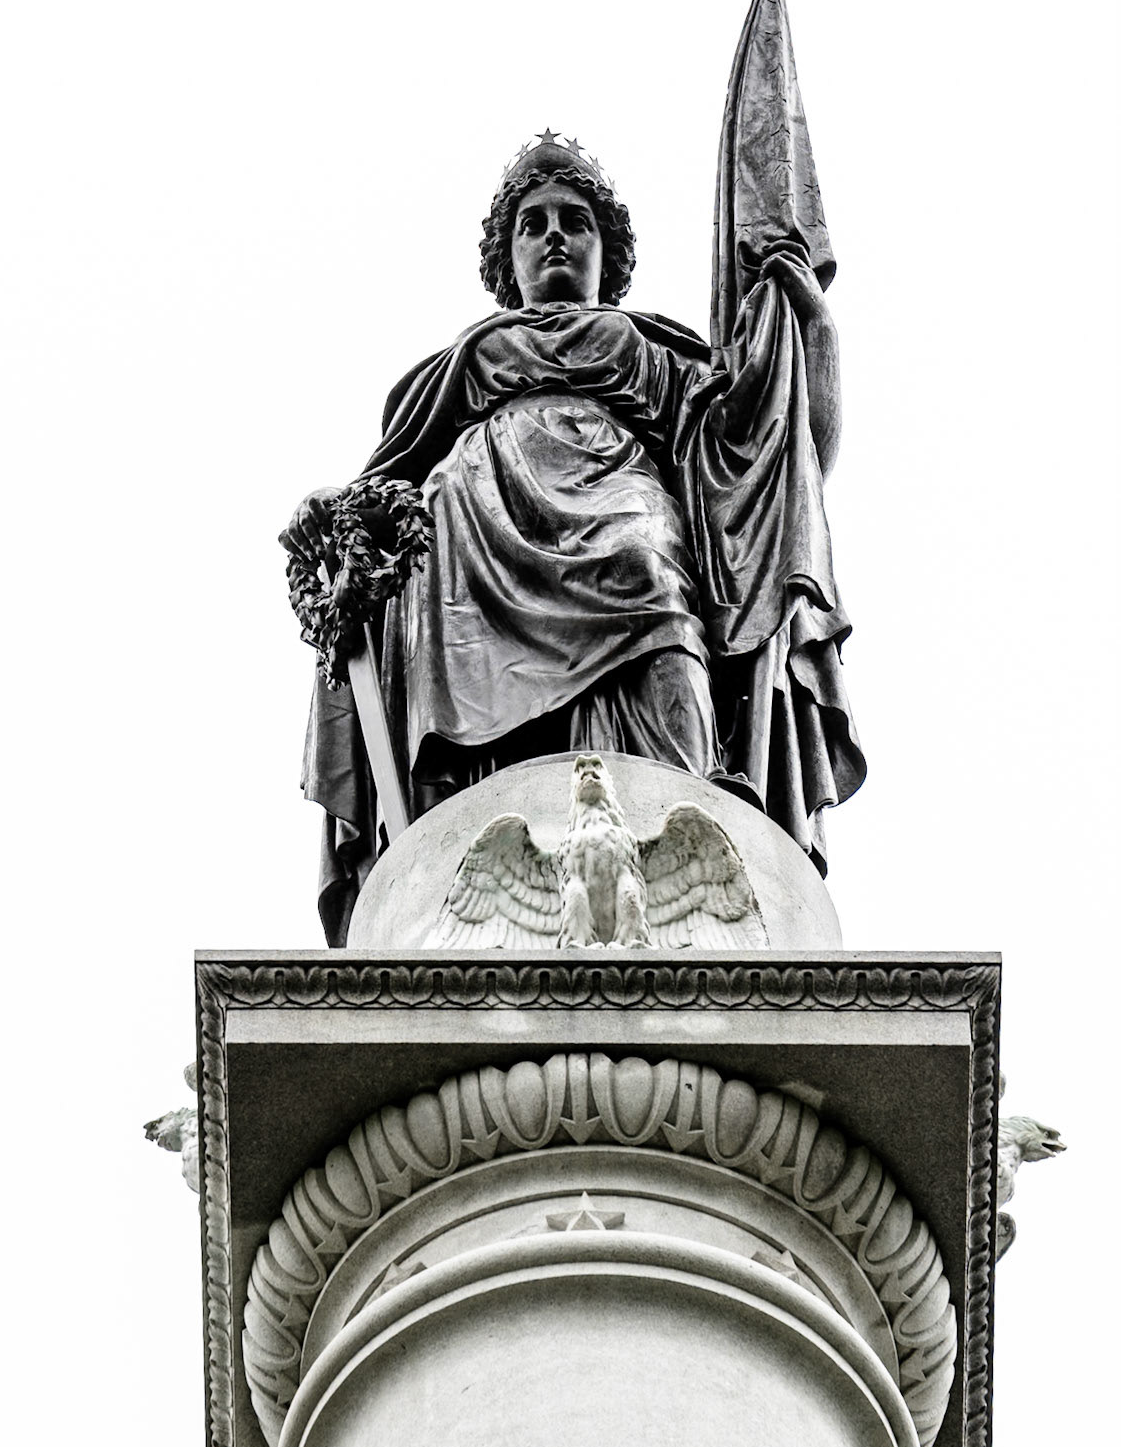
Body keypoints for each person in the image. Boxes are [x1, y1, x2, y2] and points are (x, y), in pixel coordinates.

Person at [286, 133, 863, 945]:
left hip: (620, 506)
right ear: (506, 256)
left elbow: (756, 451)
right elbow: (382, 488)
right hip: (473, 554)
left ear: (606, 249)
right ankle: (466, 852)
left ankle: (679, 833)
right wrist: (334, 516)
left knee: (655, 590)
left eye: (574, 221)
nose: (554, 234)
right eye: (533, 223)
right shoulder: (460, 363)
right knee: (442, 628)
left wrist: (795, 324)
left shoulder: (647, 348)